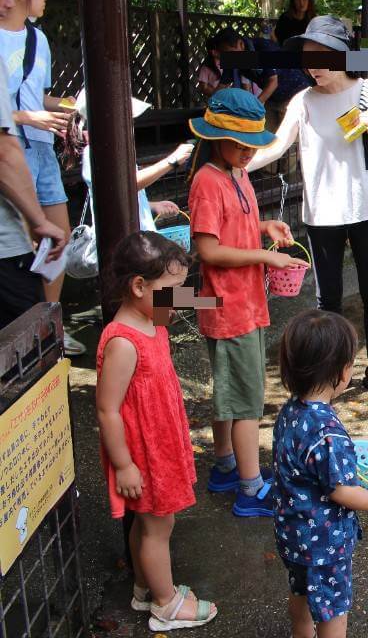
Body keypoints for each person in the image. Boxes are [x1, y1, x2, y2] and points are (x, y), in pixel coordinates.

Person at [247, 16, 368, 402]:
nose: (312, 66)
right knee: (327, 298)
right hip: (321, 214)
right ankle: (335, 371)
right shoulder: (302, 101)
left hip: (366, 207)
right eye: (307, 57)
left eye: (319, 56)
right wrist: (237, 163)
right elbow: (278, 146)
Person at [186, 88, 307, 518]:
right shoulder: (207, 181)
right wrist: (264, 255)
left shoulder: (236, 174)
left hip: (245, 302)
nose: (244, 151)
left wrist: (264, 226)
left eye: (249, 145)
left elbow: (234, 225)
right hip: (228, 305)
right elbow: (209, 250)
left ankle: (224, 466)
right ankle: (251, 488)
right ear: (215, 137)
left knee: (231, 392)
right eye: (237, 144)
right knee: (246, 402)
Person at [95, 231, 217, 631]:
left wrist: (221, 296)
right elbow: (107, 410)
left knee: (149, 521)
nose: (176, 298)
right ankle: (165, 603)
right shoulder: (124, 342)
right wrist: (124, 465)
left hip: (159, 441)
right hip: (142, 452)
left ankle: (145, 586)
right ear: (138, 285)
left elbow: (191, 298)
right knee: (158, 524)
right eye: (170, 290)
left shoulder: (150, 315)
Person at [273, 309, 368, 638]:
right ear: (340, 373)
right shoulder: (328, 433)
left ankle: (302, 633)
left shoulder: (290, 411)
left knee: (300, 590)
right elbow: (342, 491)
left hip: (292, 533)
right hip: (324, 544)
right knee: (332, 608)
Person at [1, 0, 79, 350]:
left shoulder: (39, 39)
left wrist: (69, 106)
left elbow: (38, 97)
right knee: (26, 244)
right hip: (13, 149)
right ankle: (31, 334)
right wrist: (28, 116)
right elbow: (9, 111)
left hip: (43, 147)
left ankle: (51, 323)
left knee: (59, 238)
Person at [67, 91, 193, 232]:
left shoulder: (118, 152)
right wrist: (171, 161)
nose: (128, 127)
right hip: (121, 242)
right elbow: (127, 184)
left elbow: (122, 196)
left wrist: (150, 205)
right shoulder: (94, 153)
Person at [196, 28, 266, 103]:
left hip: (265, 98)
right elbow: (222, 85)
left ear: (241, 44)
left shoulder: (261, 48)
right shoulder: (209, 66)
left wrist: (254, 105)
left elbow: (273, 82)